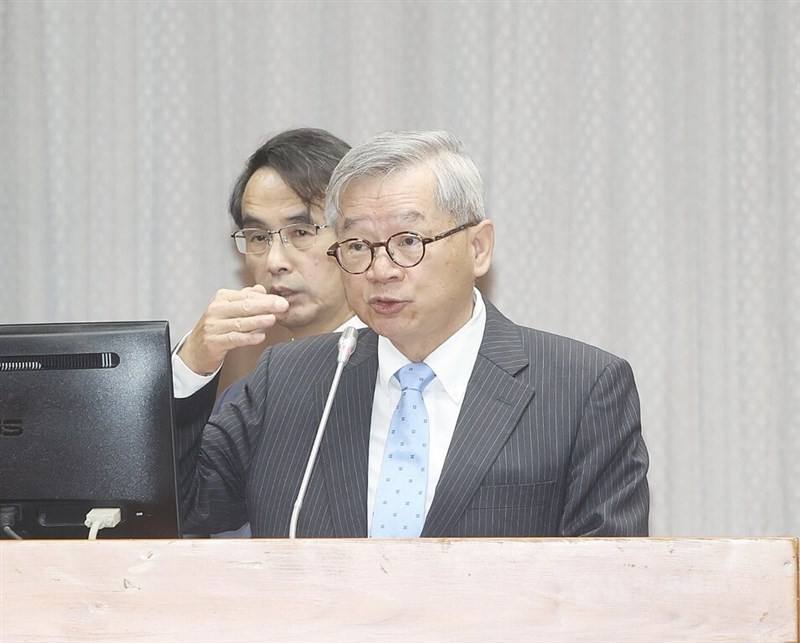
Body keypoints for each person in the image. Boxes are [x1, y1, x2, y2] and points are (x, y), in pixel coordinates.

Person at [177, 130, 650, 538]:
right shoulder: (288, 380)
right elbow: (179, 511)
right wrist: (191, 365)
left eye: (408, 242)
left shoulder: (582, 387)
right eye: (358, 245)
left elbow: (610, 581)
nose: (380, 269)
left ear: (478, 247)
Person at [172, 128, 362, 423]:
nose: (275, 262)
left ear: (356, 241)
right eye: (259, 237)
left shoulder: (401, 369)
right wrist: (193, 363)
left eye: (301, 232)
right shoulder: (248, 399)